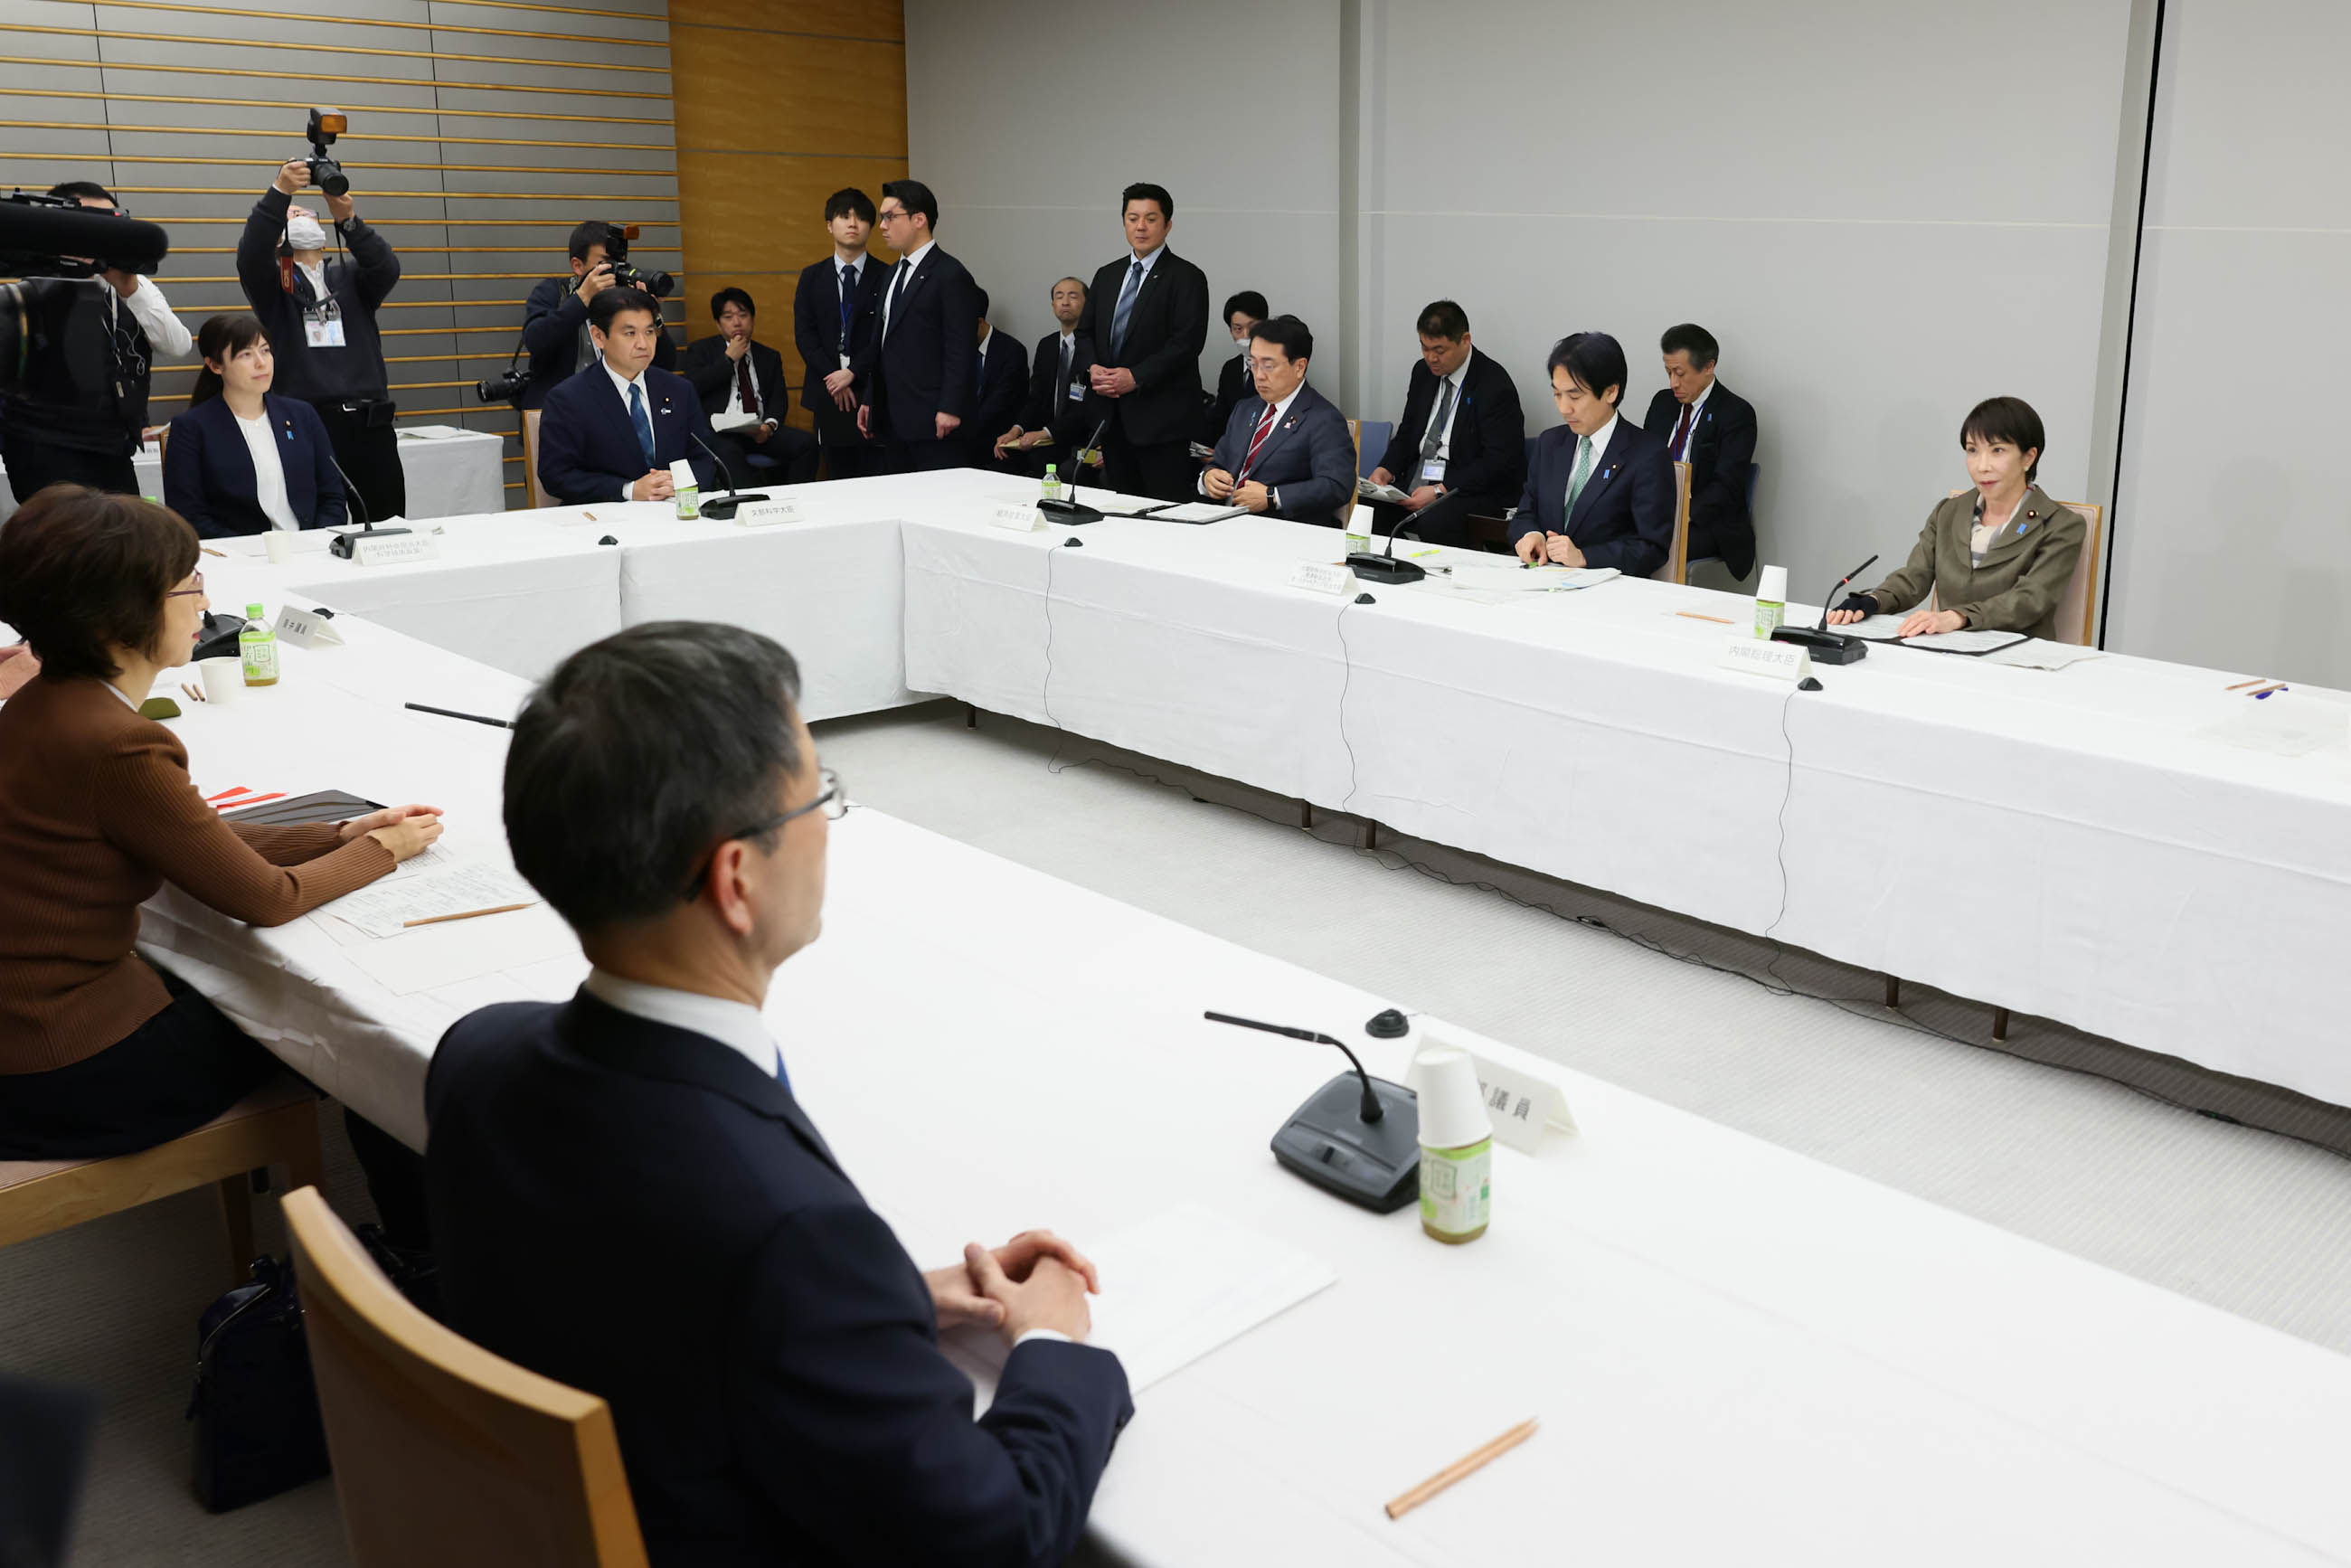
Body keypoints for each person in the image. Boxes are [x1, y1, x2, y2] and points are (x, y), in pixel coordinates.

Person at [424, 620, 1132, 1564]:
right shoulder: (787, 1234)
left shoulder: (475, 1055)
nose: (827, 833)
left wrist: (885, 1305)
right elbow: (990, 1537)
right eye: (817, 801)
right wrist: (1052, 1347)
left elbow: (630, 1298)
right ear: (737, 876)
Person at [0, 486, 440, 1242]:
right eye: (190, 584)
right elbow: (267, 899)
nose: (205, 602)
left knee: (261, 985)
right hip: (67, 1074)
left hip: (27, 1037)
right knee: (356, 1045)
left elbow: (180, 840)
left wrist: (339, 831)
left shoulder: (40, 705)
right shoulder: (118, 741)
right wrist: (382, 851)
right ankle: (423, 1257)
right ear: (118, 616)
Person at [1827, 396, 2086, 638]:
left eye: (1997, 451)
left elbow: (2030, 600)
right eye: (1972, 450)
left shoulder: (2060, 524)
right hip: (1947, 652)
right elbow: (1914, 578)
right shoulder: (1948, 512)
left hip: (2017, 663)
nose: (1982, 465)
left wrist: (1959, 617)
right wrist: (1874, 600)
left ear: (2028, 457)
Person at [235, 160, 405, 521]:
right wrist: (281, 192)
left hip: (369, 421)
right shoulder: (274, 285)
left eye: (307, 214)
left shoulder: (353, 278)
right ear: (281, 234)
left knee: (386, 522)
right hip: (304, 421)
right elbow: (251, 253)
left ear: (323, 231)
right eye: (291, 215)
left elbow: (387, 267)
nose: (299, 217)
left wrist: (348, 220)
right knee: (312, 526)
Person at [0, 181, 191, 501]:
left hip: (115, 444)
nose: (99, 237)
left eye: (108, 227)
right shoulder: (34, 281)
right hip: (43, 444)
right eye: (87, 225)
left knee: (123, 537)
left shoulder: (132, 283)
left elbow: (178, 345)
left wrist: (130, 288)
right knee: (68, 540)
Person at [1075, 183, 1209, 501]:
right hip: (1112, 418)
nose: (1141, 226)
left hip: (1161, 421)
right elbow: (1084, 333)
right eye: (1133, 218)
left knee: (1165, 511)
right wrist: (1091, 367)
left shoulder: (1186, 276)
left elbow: (1186, 344)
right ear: (1123, 222)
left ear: (1168, 225)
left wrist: (1135, 377)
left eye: (1150, 218)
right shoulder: (1106, 275)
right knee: (1121, 507)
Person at [162, 314, 345, 537]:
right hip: (239, 558)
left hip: (308, 551)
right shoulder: (191, 428)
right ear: (215, 365)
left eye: (265, 350)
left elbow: (332, 495)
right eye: (246, 354)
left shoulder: (301, 415)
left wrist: (314, 541)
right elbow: (187, 515)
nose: (261, 362)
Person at [536, 288, 722, 506]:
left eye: (649, 332)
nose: (643, 343)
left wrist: (679, 482)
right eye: (630, 333)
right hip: (603, 519)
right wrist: (628, 489)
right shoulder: (568, 398)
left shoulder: (679, 390)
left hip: (672, 512)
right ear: (598, 337)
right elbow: (556, 476)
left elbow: (704, 459)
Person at [1365, 300, 1527, 551]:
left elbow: (1499, 461)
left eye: (1440, 350)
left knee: (1435, 520)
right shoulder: (1423, 373)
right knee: (1369, 509)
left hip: (1469, 486)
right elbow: (1408, 432)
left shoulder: (1494, 385)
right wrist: (1386, 468)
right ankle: (1394, 566)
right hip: (1420, 477)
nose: (1431, 358)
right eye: (1424, 347)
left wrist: (1441, 490)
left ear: (1465, 340)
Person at [1510, 332, 1675, 576]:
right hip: (1544, 579)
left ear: (1611, 392)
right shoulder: (1550, 443)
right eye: (1557, 394)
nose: (1564, 408)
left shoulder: (1647, 455)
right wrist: (1530, 535)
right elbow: (1525, 512)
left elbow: (1652, 547)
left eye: (1575, 396)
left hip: (1608, 591)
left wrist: (1584, 557)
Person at [857, 179, 980, 472]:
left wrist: (950, 407)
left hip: (934, 417)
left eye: (890, 217)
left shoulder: (950, 274)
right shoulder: (892, 273)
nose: (882, 226)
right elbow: (883, 341)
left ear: (919, 219)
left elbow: (960, 348)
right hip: (892, 413)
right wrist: (870, 398)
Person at [1201, 315, 1354, 523]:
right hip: (1221, 521)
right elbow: (1218, 462)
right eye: (1253, 364)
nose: (1259, 375)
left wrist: (1273, 497)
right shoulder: (1245, 408)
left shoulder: (1324, 419)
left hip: (1280, 529)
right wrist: (1208, 478)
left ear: (1299, 367)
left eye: (1269, 366)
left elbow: (1336, 485)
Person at [1640, 323, 1758, 581]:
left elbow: (1727, 485)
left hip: (1707, 522)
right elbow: (1642, 461)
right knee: (1606, 530)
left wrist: (1683, 514)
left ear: (1708, 367)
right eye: (1668, 372)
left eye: (1680, 373)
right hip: (1656, 514)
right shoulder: (1663, 403)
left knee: (1649, 546)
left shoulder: (1736, 413)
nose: (1674, 383)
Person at [519, 221, 678, 411]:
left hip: (614, 412)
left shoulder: (625, 303)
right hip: (560, 412)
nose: (614, 272)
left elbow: (665, 363)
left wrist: (651, 316)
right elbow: (536, 341)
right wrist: (582, 299)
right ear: (578, 266)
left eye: (619, 264)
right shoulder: (553, 292)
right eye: (605, 264)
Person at [790, 189, 888, 480]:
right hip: (828, 388)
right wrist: (835, 376)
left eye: (861, 218)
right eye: (844, 216)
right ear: (829, 225)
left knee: (877, 474)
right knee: (837, 475)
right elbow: (804, 335)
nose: (853, 223)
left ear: (871, 226)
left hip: (871, 388)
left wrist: (853, 373)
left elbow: (884, 336)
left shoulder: (886, 275)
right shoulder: (811, 276)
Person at [679, 288, 817, 489]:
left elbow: (779, 400)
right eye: (728, 317)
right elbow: (692, 387)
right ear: (718, 324)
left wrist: (768, 427)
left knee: (808, 444)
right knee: (729, 453)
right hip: (720, 432)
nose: (737, 322)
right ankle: (752, 505)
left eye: (743, 315)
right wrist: (728, 359)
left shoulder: (769, 356)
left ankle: (796, 497)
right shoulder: (700, 351)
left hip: (758, 429)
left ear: (752, 319)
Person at [995, 276, 1090, 475]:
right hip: (1046, 437)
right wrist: (1016, 430)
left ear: (1087, 303)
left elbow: (1088, 409)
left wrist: (1044, 433)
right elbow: (1035, 398)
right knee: (1003, 458)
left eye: (1073, 296)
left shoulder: (1095, 347)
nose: (1065, 302)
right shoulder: (1046, 345)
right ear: (1053, 304)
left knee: (1050, 466)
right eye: (1059, 296)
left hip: (1081, 439)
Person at [1197, 290, 1266, 449]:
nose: (1246, 335)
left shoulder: (1278, 367)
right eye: (1238, 329)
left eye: (1253, 327)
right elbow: (1221, 420)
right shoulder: (1231, 369)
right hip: (1230, 453)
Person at [970, 288, 1029, 471]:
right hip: (963, 435)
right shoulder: (958, 351)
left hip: (998, 437)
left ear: (980, 322)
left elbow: (1000, 403)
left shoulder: (1012, 351)